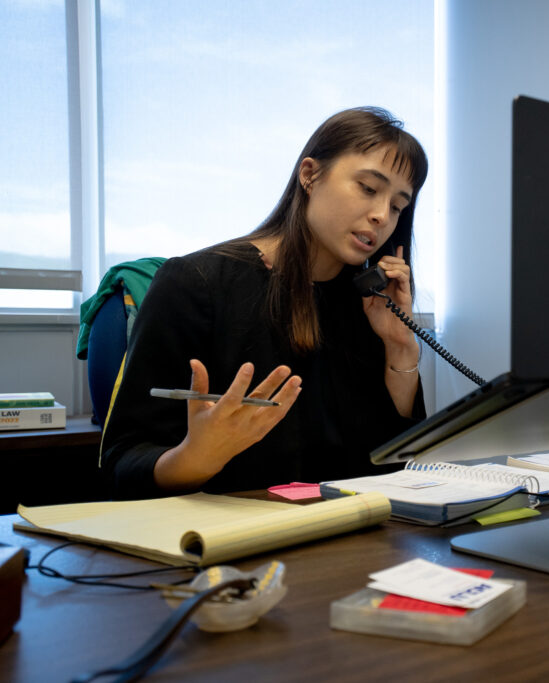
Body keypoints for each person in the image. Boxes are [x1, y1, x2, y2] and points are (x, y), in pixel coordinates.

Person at [100, 107, 428, 498]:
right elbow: (123, 464)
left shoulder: (368, 303)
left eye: (397, 206)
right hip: (237, 543)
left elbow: (395, 467)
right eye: (369, 188)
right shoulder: (197, 284)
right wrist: (196, 456)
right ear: (310, 175)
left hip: (353, 535)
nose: (381, 216)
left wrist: (400, 349)